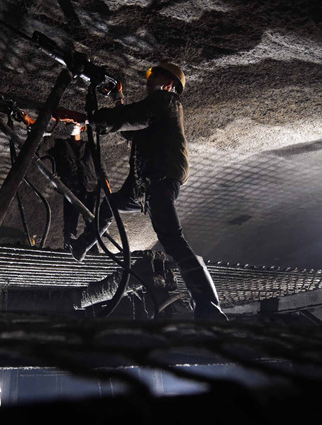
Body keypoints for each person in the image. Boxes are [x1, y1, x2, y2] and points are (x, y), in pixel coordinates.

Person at [68, 63, 228, 321]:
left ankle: (210, 309)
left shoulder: (166, 101)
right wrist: (118, 100)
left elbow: (134, 118)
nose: (148, 78)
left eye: (155, 75)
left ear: (170, 83)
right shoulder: (161, 109)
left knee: (174, 241)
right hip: (145, 186)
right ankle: (82, 247)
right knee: (111, 205)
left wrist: (87, 119)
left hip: (158, 180)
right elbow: (132, 130)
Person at [40, 123, 97, 250]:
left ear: (82, 128)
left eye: (76, 123)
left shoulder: (90, 146)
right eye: (69, 123)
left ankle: (93, 249)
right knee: (70, 224)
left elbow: (100, 167)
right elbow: (42, 146)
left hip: (90, 189)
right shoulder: (59, 144)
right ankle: (69, 249)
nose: (73, 125)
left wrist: (105, 185)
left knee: (91, 222)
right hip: (70, 191)